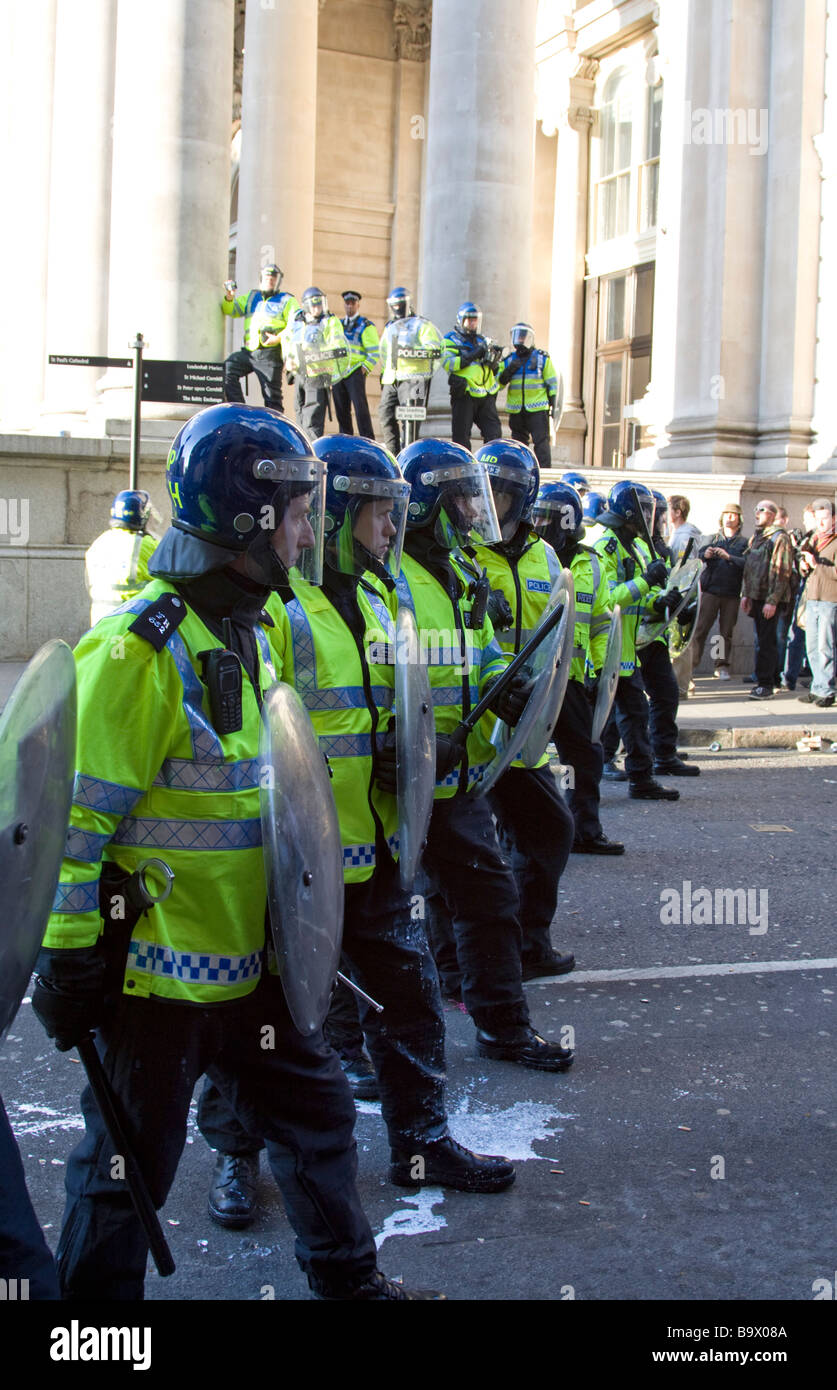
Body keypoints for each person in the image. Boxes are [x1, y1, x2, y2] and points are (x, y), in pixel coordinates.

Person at [31, 403, 439, 1301]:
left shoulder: (247, 635)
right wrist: (65, 957)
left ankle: (349, 1284)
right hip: (158, 985)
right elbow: (70, 823)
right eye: (296, 514)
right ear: (247, 519)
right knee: (124, 1176)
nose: (306, 534)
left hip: (253, 965)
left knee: (319, 1121)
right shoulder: (140, 654)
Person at [198, 433, 516, 1223]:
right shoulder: (274, 606)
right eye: (376, 514)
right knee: (258, 1021)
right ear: (337, 517)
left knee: (409, 996)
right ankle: (235, 1159)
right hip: (297, 860)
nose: (388, 530)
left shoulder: (382, 597)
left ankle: (421, 1139)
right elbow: (249, 734)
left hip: (374, 849)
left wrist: (423, 746)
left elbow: (395, 706)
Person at [397, 437, 576, 1070]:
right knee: (373, 921)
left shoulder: (462, 571)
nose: (476, 512)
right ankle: (361, 1050)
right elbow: (363, 681)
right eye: (463, 498)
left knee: (489, 898)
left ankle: (503, 1028)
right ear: (425, 504)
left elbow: (485, 653)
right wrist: (410, 743)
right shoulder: (391, 583)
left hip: (461, 777)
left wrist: (512, 685)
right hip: (397, 786)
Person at [469, 439, 577, 970]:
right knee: (468, 854)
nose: (489, 504)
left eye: (501, 494)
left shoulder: (544, 556)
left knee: (548, 831)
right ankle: (466, 962)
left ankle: (529, 943)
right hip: (471, 725)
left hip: (522, 724)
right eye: (482, 492)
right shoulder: (463, 552)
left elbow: (558, 630)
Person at [532, 479, 624, 854]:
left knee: (583, 756)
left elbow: (602, 623)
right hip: (525, 677)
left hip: (569, 679)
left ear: (565, 521)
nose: (538, 525)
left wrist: (600, 672)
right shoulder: (529, 556)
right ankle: (513, 836)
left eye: (545, 518)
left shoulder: (592, 563)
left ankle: (583, 829)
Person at [592, 481, 680, 801]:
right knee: (610, 717)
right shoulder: (606, 548)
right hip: (605, 648)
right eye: (643, 509)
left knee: (634, 714)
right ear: (630, 511)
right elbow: (608, 599)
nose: (648, 515)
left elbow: (639, 602)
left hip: (628, 649)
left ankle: (640, 778)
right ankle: (601, 780)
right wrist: (646, 582)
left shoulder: (639, 547)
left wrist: (661, 601)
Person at [221, 263, 299, 411]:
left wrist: (279, 338)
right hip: (249, 351)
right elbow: (230, 310)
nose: (270, 281)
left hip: (270, 353)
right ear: (261, 279)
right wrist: (229, 297)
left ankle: (275, 427)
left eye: (273, 278)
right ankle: (240, 410)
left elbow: (296, 324)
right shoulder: (251, 297)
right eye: (267, 278)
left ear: (278, 281)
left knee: (272, 396)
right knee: (227, 369)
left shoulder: (287, 300)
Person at [740, 499, 794, 700]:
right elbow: (750, 568)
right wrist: (746, 594)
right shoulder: (758, 537)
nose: (756, 513)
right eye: (755, 509)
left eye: (761, 510)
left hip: (770, 599)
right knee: (762, 640)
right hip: (756, 597)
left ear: (772, 514)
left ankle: (766, 684)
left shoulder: (779, 538)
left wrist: (773, 600)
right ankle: (769, 679)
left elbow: (781, 571)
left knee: (767, 642)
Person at [285, 288, 351, 440]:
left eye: (320, 305)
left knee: (312, 420)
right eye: (314, 305)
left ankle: (312, 452)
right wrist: (288, 359)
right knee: (300, 414)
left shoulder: (330, 321)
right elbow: (288, 341)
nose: (317, 308)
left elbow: (337, 346)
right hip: (300, 374)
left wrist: (313, 351)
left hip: (318, 375)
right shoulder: (297, 321)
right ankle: (301, 450)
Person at [84, 490, 157, 626]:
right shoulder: (145, 544)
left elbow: (88, 582)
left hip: (99, 622)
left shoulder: (99, 542)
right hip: (132, 622)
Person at [691, 504, 747, 679]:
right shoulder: (712, 538)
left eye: (734, 515)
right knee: (700, 629)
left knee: (724, 633)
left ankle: (720, 665)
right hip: (710, 591)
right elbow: (697, 559)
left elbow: (746, 564)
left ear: (739, 519)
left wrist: (729, 557)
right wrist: (705, 554)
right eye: (727, 514)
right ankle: (692, 664)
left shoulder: (744, 542)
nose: (730, 518)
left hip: (731, 593)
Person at [497, 324, 558, 469]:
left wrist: (553, 404)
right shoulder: (508, 360)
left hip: (537, 407)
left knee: (541, 441)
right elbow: (498, 383)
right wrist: (509, 370)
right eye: (517, 336)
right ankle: (521, 469)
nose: (519, 339)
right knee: (518, 444)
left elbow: (552, 383)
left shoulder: (542, 358)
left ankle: (544, 470)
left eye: (522, 336)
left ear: (529, 338)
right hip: (516, 408)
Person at [442, 302, 502, 450]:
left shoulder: (482, 340)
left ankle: (491, 463)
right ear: (461, 320)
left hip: (486, 395)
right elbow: (449, 363)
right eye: (469, 320)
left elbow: (495, 370)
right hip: (465, 393)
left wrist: (493, 361)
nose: (473, 323)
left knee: (494, 434)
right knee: (461, 437)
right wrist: (474, 354)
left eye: (475, 320)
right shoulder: (450, 340)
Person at [797, 497, 837, 707]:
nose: (821, 523)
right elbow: (807, 569)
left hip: (830, 600)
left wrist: (817, 564)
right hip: (812, 598)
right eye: (818, 519)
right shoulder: (814, 539)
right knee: (811, 646)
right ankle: (817, 687)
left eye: (825, 519)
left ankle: (827, 690)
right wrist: (804, 565)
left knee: (825, 647)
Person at [332, 290, 379, 439]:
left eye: (353, 303)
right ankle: (345, 439)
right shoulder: (337, 325)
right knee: (341, 409)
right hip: (339, 372)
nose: (350, 306)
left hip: (355, 371)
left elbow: (374, 352)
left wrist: (364, 368)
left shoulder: (365, 325)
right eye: (347, 303)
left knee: (360, 409)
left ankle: (368, 439)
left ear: (358, 305)